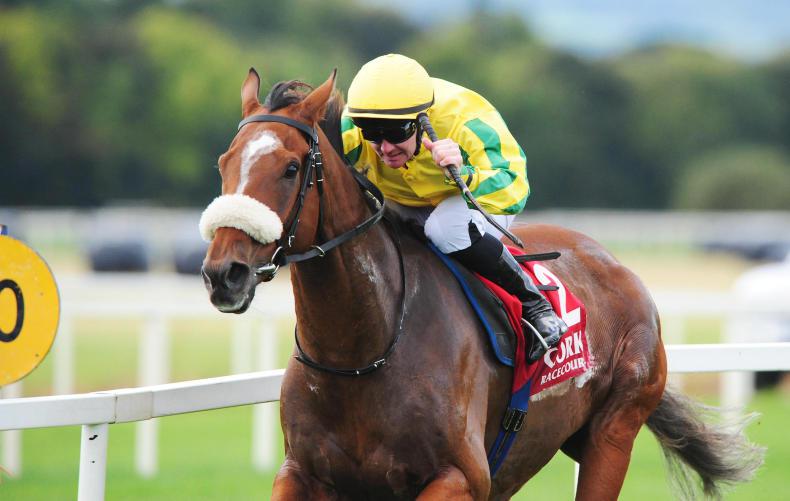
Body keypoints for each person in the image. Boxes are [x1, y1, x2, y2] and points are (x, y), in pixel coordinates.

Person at [341, 54, 566, 362]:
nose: (386, 148)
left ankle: (535, 305)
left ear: (422, 120)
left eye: (396, 133)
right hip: (400, 201)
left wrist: (465, 175)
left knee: (444, 229)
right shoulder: (351, 127)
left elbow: (512, 185)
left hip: (477, 198)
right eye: (373, 135)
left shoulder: (466, 118)